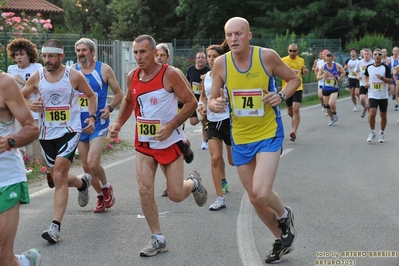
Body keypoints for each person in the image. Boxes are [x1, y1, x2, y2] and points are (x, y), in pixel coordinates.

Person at [208, 17, 298, 264]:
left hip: (268, 133)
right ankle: (281, 239)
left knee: (260, 190)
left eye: (238, 34)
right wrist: (214, 103)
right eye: (229, 35)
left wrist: (280, 95)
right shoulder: (220, 63)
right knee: (254, 198)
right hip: (240, 137)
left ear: (249, 35)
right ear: (225, 38)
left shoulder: (266, 56)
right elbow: (211, 99)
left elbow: (294, 80)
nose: (233, 39)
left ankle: (284, 213)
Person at [109, 35, 208, 257]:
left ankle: (192, 183)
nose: (138, 57)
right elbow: (128, 101)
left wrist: (171, 125)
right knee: (144, 189)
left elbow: (191, 102)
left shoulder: (169, 74)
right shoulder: (132, 76)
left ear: (154, 53)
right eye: (135, 52)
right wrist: (118, 123)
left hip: (170, 141)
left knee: (174, 194)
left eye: (142, 52)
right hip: (144, 143)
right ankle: (157, 237)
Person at [21, 39, 97, 243]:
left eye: (51, 56)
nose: (47, 60)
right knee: (57, 176)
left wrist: (91, 117)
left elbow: (91, 96)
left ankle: (55, 227)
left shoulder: (73, 75)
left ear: (61, 56)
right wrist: (31, 105)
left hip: (70, 130)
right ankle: (82, 183)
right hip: (46, 134)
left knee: (60, 173)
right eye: (45, 56)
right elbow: (21, 97)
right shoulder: (38, 76)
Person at [72, 38, 123, 213]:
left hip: (99, 122)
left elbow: (119, 93)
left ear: (93, 52)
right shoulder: (73, 71)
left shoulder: (104, 69)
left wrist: (109, 108)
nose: (80, 54)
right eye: (78, 50)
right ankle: (101, 196)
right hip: (80, 124)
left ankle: (106, 188)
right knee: (86, 166)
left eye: (84, 50)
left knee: (93, 163)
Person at [0, 72, 42, 266]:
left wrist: (9, 141)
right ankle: (24, 262)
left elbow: (32, 128)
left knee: (2, 256)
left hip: (6, 180)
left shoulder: (5, 83)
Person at [6, 38, 54, 189]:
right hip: (19, 114)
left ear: (29, 54)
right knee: (17, 148)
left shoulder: (38, 67)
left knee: (41, 151)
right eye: (16, 55)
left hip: (36, 115)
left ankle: (50, 170)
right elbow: (11, 93)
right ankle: (19, 182)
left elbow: (38, 88)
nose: (18, 57)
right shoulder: (11, 70)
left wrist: (21, 82)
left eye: (21, 54)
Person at [155, 43, 194, 198]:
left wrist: (178, 100)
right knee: (159, 151)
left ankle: (182, 143)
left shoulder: (175, 72)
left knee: (167, 149)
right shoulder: (150, 74)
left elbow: (189, 93)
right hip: (156, 121)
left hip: (174, 118)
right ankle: (184, 144)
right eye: (156, 55)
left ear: (168, 57)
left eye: (162, 55)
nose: (159, 58)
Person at [197, 43, 233, 211]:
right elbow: (203, 96)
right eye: (209, 56)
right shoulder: (206, 77)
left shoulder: (230, 75)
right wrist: (201, 106)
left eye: (214, 56)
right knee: (215, 158)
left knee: (233, 160)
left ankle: (228, 179)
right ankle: (220, 197)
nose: (211, 59)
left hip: (230, 120)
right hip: (212, 121)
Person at [281, 43, 308, 141]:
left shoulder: (301, 60)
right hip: (287, 88)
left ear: (297, 51)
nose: (292, 53)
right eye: (290, 51)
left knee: (296, 109)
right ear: (288, 51)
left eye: (294, 51)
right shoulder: (283, 60)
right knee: (290, 111)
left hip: (298, 87)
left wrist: (304, 70)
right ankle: (293, 118)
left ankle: (294, 131)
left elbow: (303, 68)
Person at [364, 49, 392, 143]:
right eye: (375, 54)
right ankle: (372, 132)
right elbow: (366, 76)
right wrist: (366, 83)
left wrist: (382, 78)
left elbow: (390, 81)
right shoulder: (369, 67)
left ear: (381, 56)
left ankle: (382, 133)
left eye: (379, 54)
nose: (377, 56)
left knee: (383, 114)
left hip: (383, 95)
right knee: (372, 113)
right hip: (372, 94)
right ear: (373, 56)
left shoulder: (385, 67)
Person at [186, 51, 211, 149]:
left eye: (202, 57)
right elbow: (187, 81)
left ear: (205, 60)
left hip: (204, 99)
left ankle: (205, 141)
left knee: (204, 120)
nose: (200, 59)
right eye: (198, 57)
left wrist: (203, 87)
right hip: (193, 100)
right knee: (193, 121)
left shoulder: (208, 71)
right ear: (196, 60)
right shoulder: (190, 69)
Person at [317, 52, 346, 126]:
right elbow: (317, 77)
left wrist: (340, 77)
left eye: (330, 60)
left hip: (334, 87)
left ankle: (335, 112)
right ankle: (332, 119)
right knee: (327, 106)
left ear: (332, 59)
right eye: (327, 60)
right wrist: (322, 76)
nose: (328, 62)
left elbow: (343, 72)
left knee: (331, 103)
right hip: (326, 88)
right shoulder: (323, 67)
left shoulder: (337, 66)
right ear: (325, 59)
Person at [356, 49, 374, 118]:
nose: (366, 56)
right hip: (363, 83)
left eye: (367, 54)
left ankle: (369, 113)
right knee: (362, 99)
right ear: (362, 55)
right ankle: (365, 108)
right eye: (365, 54)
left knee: (369, 100)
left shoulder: (373, 62)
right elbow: (356, 71)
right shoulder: (359, 62)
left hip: (371, 84)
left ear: (370, 55)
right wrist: (358, 75)